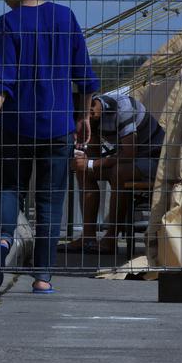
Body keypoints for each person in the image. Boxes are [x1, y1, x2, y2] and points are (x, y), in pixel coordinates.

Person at [0, 0, 99, 294]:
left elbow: (3, 79)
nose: (3, 0)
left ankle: (2, 240)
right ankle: (43, 277)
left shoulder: (9, 23)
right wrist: (83, 115)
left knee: (10, 188)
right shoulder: (65, 17)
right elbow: (84, 75)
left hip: (17, 126)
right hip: (58, 126)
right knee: (50, 200)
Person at [65, 92, 165, 254]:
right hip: (132, 160)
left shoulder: (122, 108)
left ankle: (111, 238)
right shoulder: (93, 117)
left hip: (155, 160)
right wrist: (82, 159)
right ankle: (88, 236)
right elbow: (94, 153)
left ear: (90, 112)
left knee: (119, 172)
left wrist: (90, 163)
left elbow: (129, 153)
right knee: (85, 173)